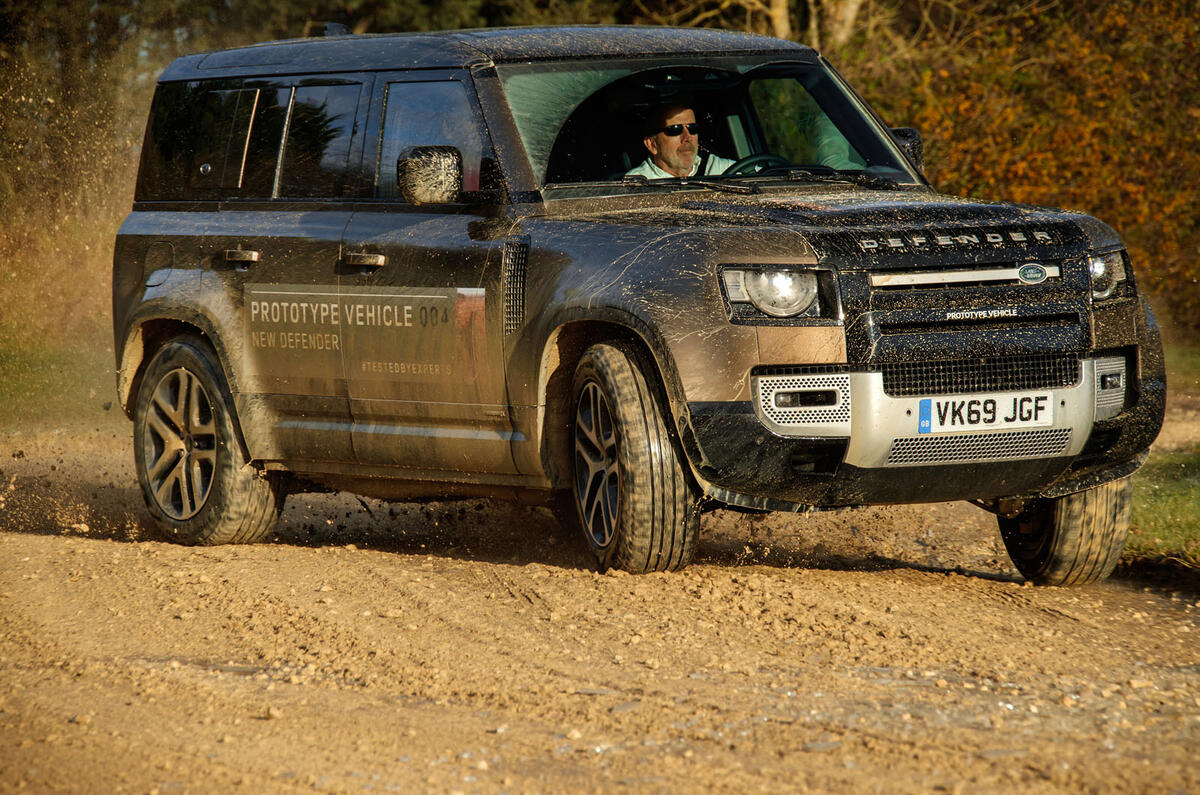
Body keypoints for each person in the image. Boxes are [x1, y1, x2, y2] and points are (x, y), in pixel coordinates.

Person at [626, 105, 734, 179]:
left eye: (692, 128)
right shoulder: (635, 186)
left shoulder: (725, 171)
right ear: (652, 144)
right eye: (675, 130)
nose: (687, 137)